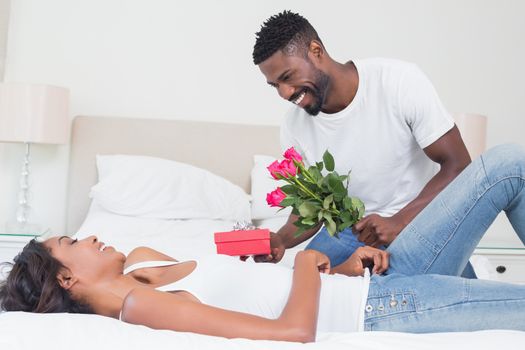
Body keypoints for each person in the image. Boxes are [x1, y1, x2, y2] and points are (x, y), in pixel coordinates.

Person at [1, 144, 525, 341]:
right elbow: (293, 332)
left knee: (505, 165)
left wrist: (336, 268)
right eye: (73, 241)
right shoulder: (139, 306)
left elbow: (264, 283)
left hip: (370, 275)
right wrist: (311, 260)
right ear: (66, 277)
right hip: (386, 308)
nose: (90, 235)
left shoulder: (143, 261)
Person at [252, 11, 474, 275]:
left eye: (287, 77)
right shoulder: (293, 126)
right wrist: (280, 241)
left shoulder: (398, 81)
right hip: (353, 233)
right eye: (274, 85)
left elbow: (458, 164)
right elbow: (309, 209)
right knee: (308, 276)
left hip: (419, 221)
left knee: (456, 299)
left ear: (315, 51)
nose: (284, 93)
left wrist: (399, 222)